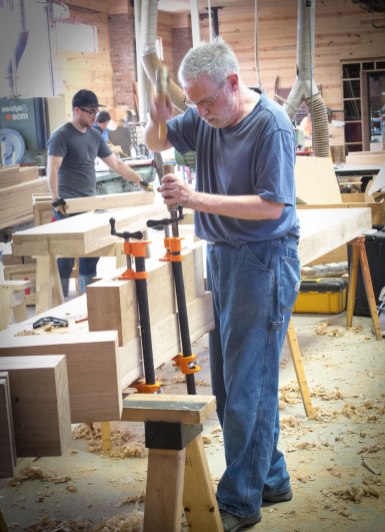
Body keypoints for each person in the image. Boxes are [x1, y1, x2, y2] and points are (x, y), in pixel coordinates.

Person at [145, 38, 300, 531]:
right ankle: (270, 478)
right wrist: (156, 117)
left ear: (233, 82)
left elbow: (273, 206)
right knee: (237, 382)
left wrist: (195, 198)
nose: (202, 113)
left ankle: (238, 501)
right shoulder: (205, 113)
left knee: (247, 386)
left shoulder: (270, 125)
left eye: (208, 102)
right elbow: (156, 141)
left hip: (264, 259)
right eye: (193, 104)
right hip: (225, 257)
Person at [47, 88, 150, 297]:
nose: (95, 116)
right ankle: (61, 299)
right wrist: (56, 199)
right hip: (68, 205)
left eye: (96, 111)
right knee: (66, 256)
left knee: (91, 254)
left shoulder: (95, 135)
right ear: (76, 110)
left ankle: (86, 298)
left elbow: (116, 164)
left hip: (90, 204)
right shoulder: (61, 136)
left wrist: (141, 181)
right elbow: (53, 168)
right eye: (90, 112)